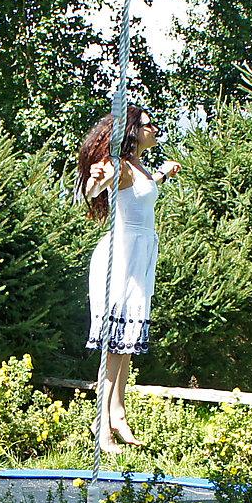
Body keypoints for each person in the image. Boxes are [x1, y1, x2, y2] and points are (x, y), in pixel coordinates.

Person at [78, 104, 177, 452]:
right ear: (134, 131)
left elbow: (143, 191)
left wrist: (164, 174)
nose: (156, 131)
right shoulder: (119, 167)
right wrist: (93, 179)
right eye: (150, 126)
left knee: (128, 341)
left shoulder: (139, 168)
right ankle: (102, 424)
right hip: (120, 258)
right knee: (115, 345)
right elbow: (94, 190)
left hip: (138, 258)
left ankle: (117, 413)